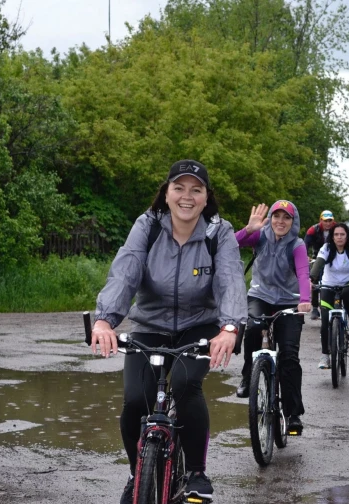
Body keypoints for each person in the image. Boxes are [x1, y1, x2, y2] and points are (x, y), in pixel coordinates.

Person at [90, 159, 247, 503]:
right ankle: (137, 472)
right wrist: (105, 320)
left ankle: (196, 473)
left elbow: (230, 280)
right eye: (179, 188)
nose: (186, 197)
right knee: (135, 400)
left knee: (185, 385)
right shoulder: (147, 226)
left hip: (200, 326)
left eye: (196, 190)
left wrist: (230, 327)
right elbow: (125, 270)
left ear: (206, 198)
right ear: (166, 193)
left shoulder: (218, 232)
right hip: (150, 324)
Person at [233, 201, 312, 433]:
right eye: (276, 216)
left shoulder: (297, 245)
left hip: (290, 300)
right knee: (254, 327)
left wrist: (305, 299)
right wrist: (248, 229)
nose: (280, 221)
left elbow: (303, 272)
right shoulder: (260, 237)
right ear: (270, 218)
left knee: (289, 355)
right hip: (260, 296)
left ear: (292, 221)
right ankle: (249, 377)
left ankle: (293, 413)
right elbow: (231, 244)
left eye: (286, 218)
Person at [309, 223, 349, 369]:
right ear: (332, 236)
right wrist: (310, 280)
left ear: (347, 235)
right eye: (336, 234)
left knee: (348, 293)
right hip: (328, 285)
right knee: (325, 321)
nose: (339, 237)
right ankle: (325, 356)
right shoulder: (326, 248)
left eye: (342, 234)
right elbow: (318, 264)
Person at [304, 210, 337, 320]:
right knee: (314, 281)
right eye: (325, 221)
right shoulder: (313, 229)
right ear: (320, 221)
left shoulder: (337, 228)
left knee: (335, 281)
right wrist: (306, 255)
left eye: (330, 221)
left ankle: (336, 303)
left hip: (332, 257)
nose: (328, 223)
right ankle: (314, 308)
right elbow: (305, 244)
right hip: (317, 257)